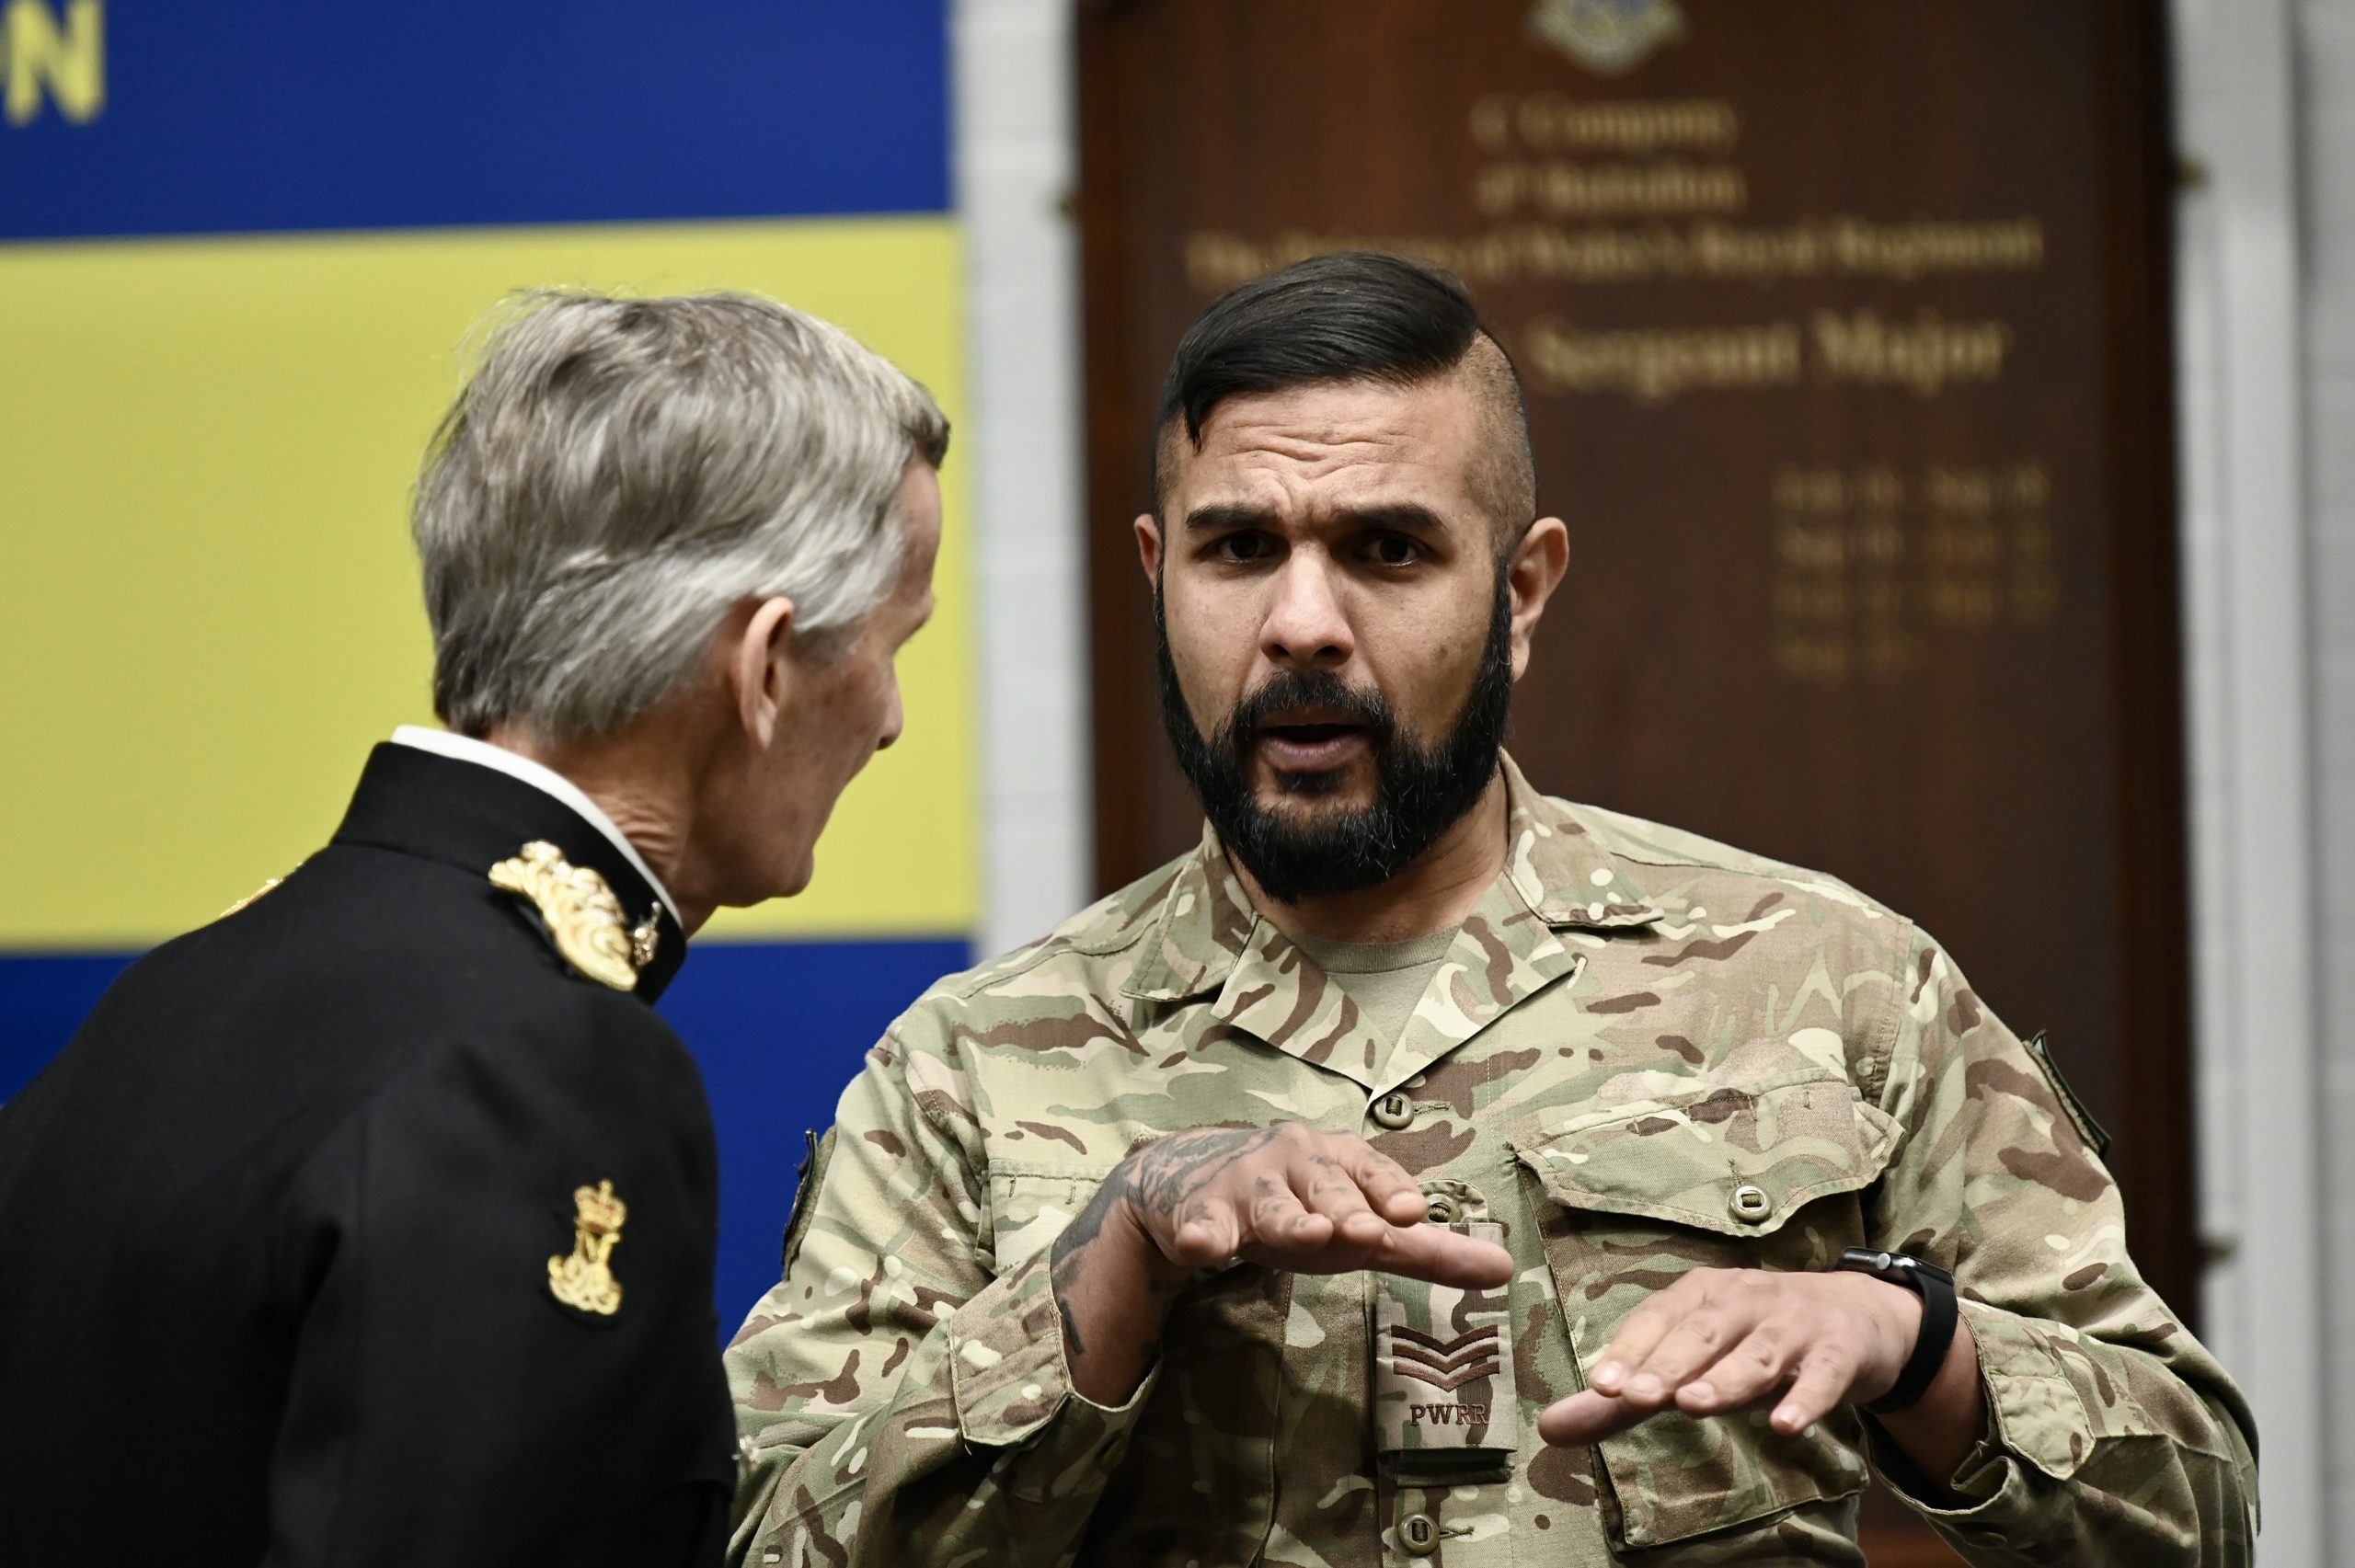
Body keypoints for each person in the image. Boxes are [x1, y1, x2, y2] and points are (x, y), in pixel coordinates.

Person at [721, 254, 2256, 1565]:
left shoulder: (1830, 982)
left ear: (1521, 589)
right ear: (1156, 572)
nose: (1302, 624)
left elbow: (2199, 1509)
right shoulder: (973, 1067)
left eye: (1387, 550)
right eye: (1239, 548)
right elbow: (764, 1536)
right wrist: (1109, 1268)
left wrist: (1916, 1346)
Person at [0, 291, 948, 1567]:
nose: (889, 720)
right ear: (763, 667)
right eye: (893, 644)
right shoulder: (544, 1067)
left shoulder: (168, 1001)